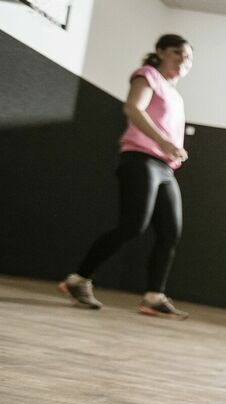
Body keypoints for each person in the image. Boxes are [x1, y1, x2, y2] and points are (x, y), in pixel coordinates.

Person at [58, 34, 194, 320]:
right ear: (160, 52)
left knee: (170, 232)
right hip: (140, 159)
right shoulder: (148, 76)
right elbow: (133, 108)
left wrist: (172, 149)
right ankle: (78, 280)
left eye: (188, 57)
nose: (183, 60)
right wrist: (165, 142)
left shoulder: (176, 95)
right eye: (177, 53)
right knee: (132, 226)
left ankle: (154, 297)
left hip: (165, 168)